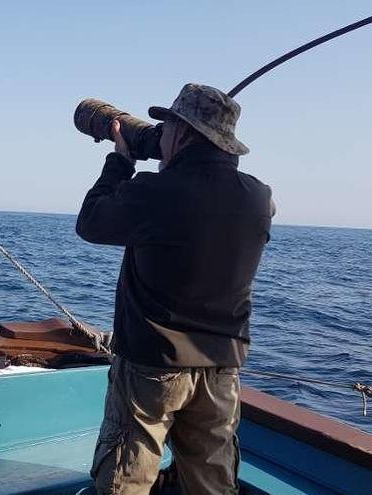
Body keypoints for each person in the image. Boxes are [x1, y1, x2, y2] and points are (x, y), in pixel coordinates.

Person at [76, 83, 275, 494]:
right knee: (212, 481)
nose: (159, 134)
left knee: (125, 476)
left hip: (153, 365)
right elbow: (203, 198)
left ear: (182, 133)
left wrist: (119, 161)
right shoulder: (258, 198)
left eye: (165, 128)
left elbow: (91, 222)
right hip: (222, 367)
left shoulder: (155, 192)